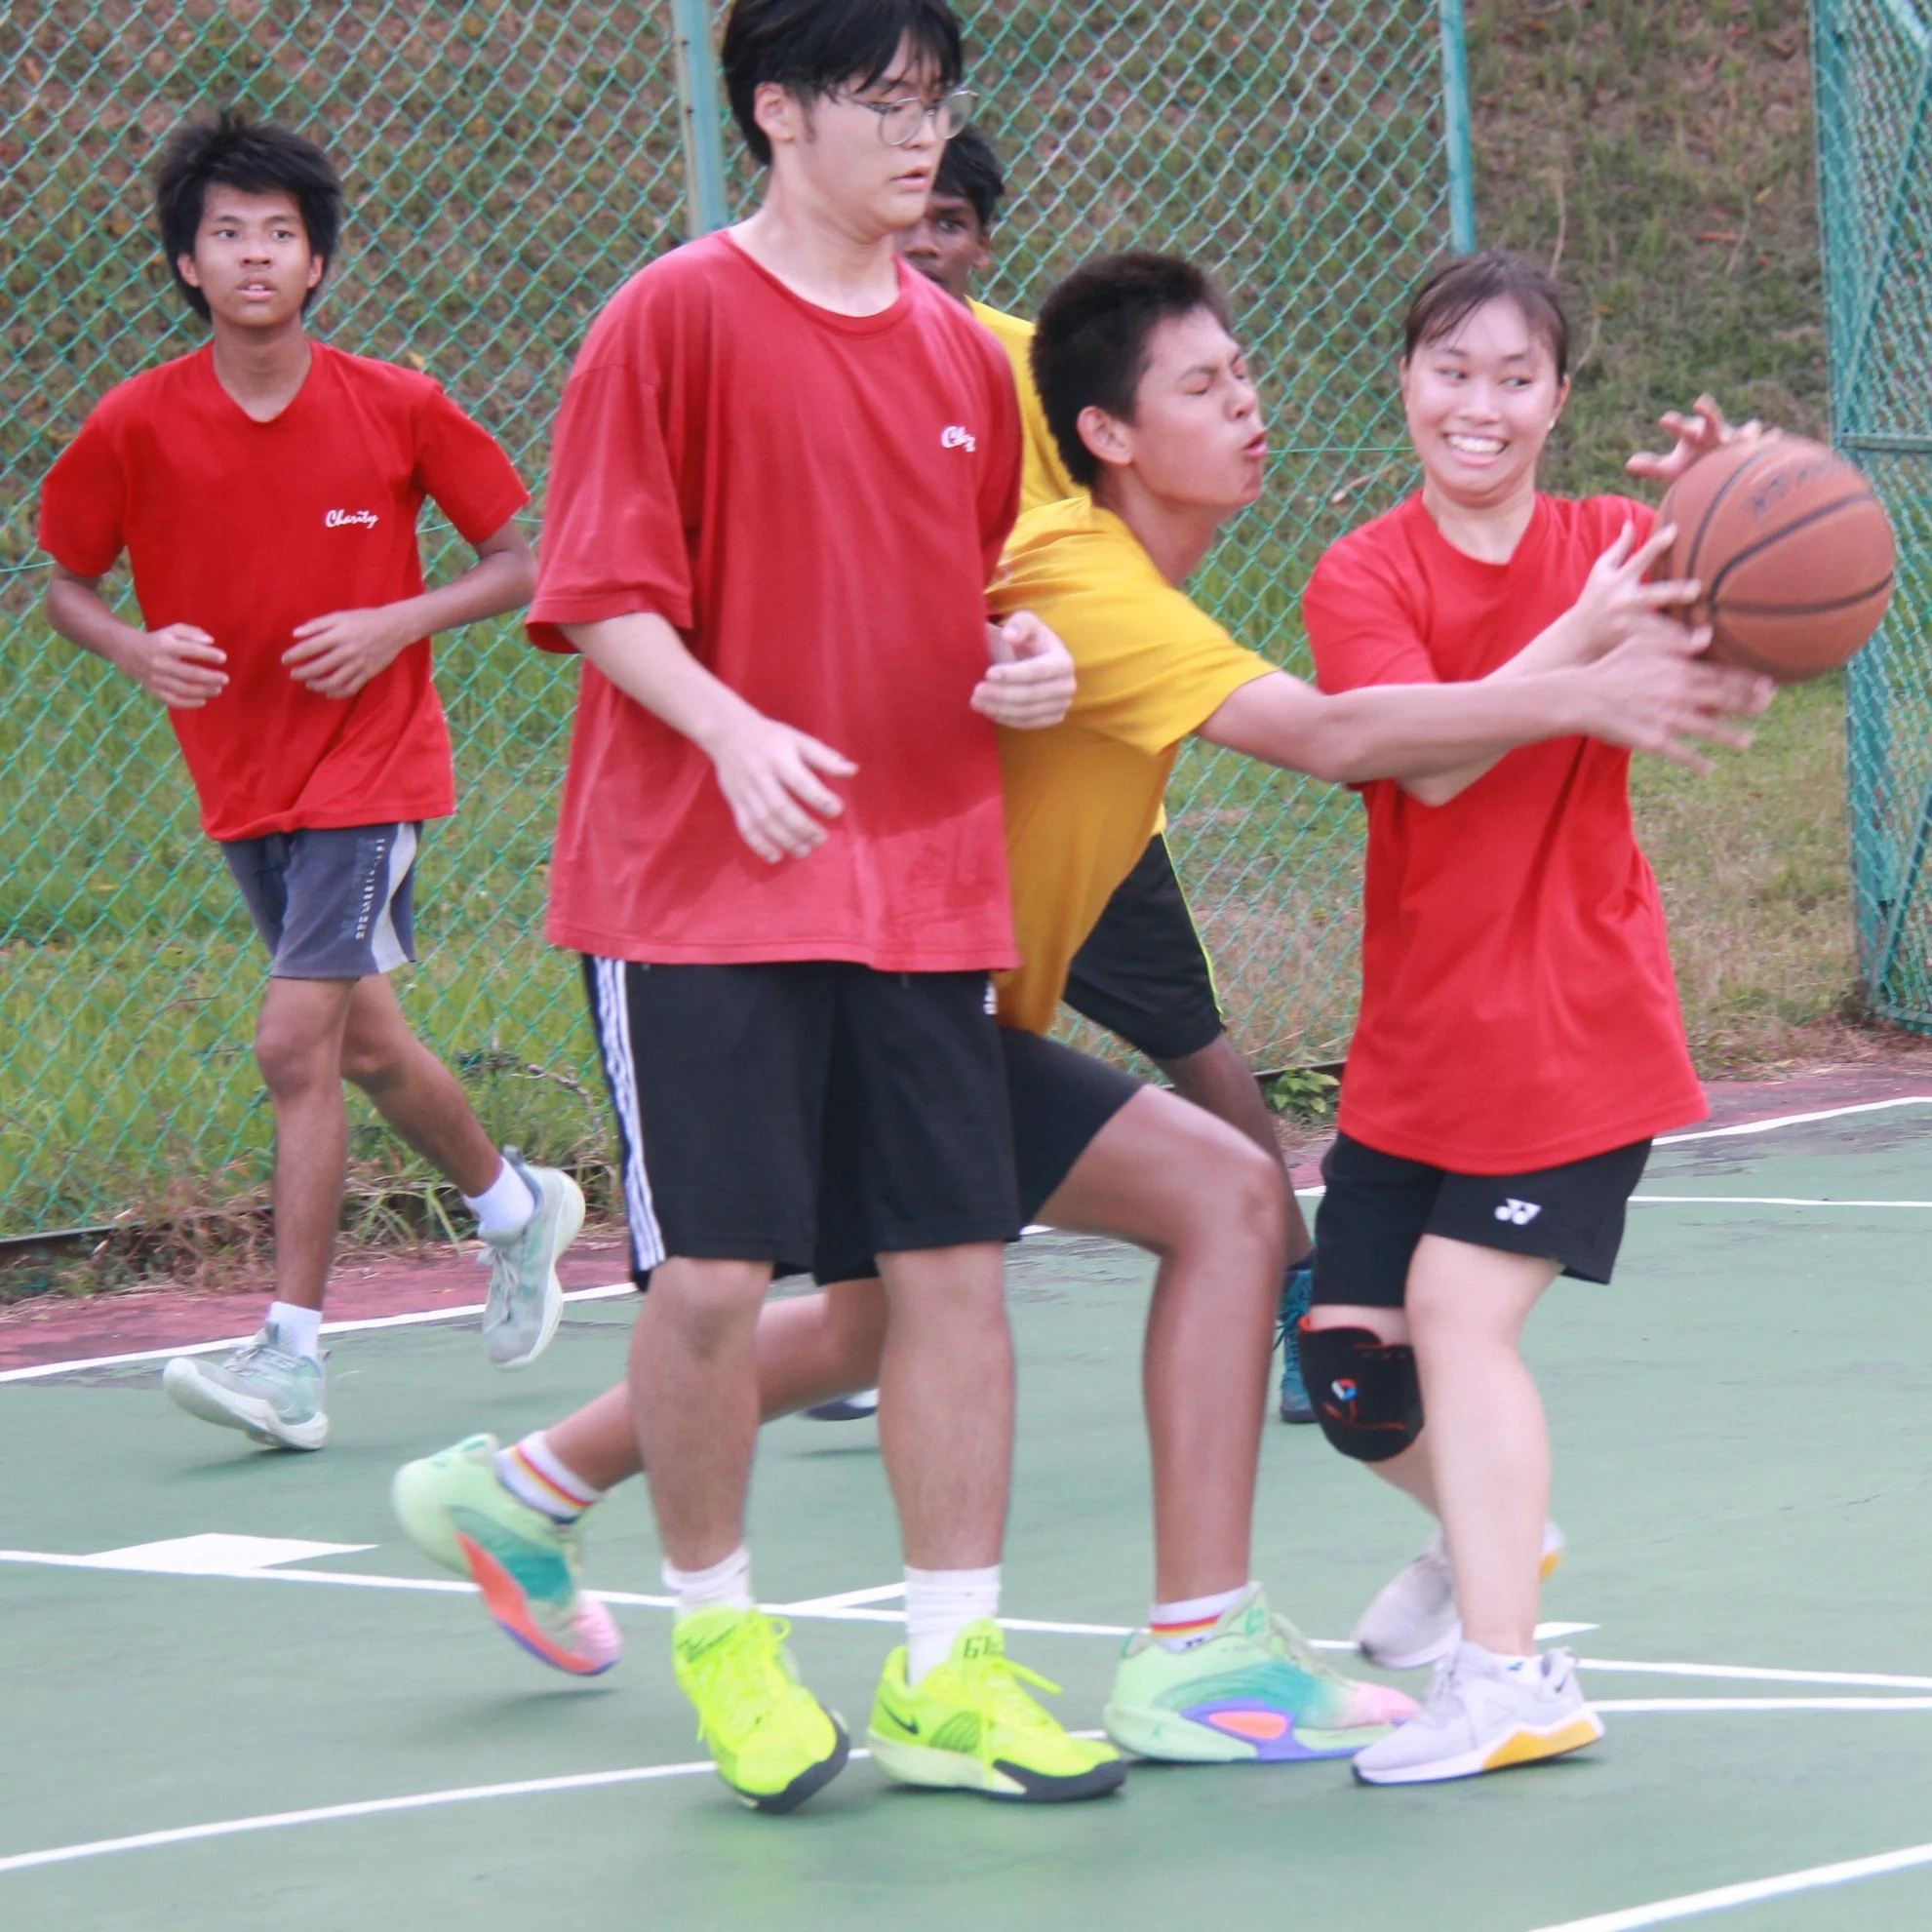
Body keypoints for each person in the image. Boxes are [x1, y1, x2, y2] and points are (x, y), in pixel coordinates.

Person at [393, 251, 1764, 1773]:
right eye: (1204, 386)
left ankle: (522, 1489)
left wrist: (1721, 515)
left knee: (879, 1316)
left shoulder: (1104, 568)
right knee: (1220, 1202)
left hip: (932, 998)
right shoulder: (1087, 581)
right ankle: (1197, 1647)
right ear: (1108, 432)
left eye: (1245, 375)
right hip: (861, 989)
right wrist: (1580, 684)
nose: (1248, 406)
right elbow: (1335, 736)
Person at [482, 0, 1134, 1814]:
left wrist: (1023, 653)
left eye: (936, 103)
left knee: (950, 1273)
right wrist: (729, 727)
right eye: (881, 102)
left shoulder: (960, 354)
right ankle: (722, 1637)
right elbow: (597, 590)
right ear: (777, 111)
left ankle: (951, 1670)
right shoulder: (673, 316)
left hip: (922, 879)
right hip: (699, 887)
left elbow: (975, 581)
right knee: (712, 1278)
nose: (920, 137)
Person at [1295, 250, 1774, 1786]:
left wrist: (1733, 511)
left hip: (1577, 1025)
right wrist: (1583, 642)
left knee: (1457, 1311)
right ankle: (1498, 1529)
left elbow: (1757, 659)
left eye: (1517, 377)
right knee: (1353, 1372)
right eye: (1452, 370)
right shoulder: (1364, 575)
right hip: (1419, 1042)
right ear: (1405, 379)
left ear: (1561, 400)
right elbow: (1428, 759)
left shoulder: (1620, 546)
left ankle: (1510, 1678)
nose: (1480, 405)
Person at [36, 113, 581, 1454]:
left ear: (318, 260)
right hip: (244, 779)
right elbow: (66, 584)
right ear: (187, 264)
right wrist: (132, 647)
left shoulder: (395, 405)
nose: (254, 254)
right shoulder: (136, 424)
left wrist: (399, 621)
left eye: (279, 232)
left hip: (372, 769)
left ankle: (289, 1359)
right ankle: (515, 1208)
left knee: (294, 1044)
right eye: (226, 233)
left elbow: (522, 560)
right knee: (368, 1045)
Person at [894, 125, 1324, 1426]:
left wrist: (1025, 638)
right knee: (908, 1265)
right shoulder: (826, 365)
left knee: (1191, 1043)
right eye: (907, 211)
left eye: (950, 219)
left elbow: (1048, 550)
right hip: (967, 786)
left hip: (1084, 734)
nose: (923, 240)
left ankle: (1303, 1293)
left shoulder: (1024, 368)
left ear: (983, 241)